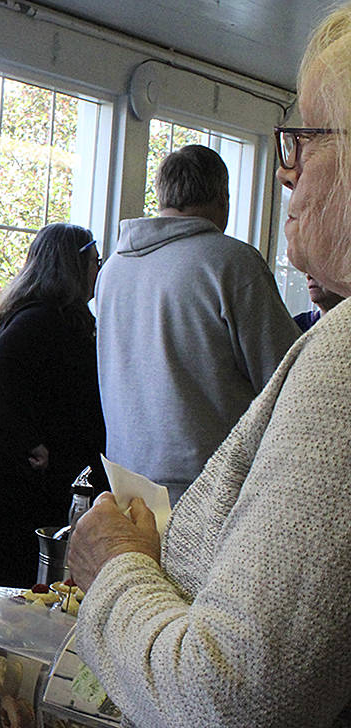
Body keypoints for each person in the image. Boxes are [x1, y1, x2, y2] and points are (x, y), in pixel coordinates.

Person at [68, 7, 351, 728]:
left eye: (302, 139)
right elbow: (269, 368)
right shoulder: (236, 266)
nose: (288, 173)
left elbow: (234, 706)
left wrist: (114, 573)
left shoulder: (341, 361)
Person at [95, 144, 297, 504]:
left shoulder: (112, 270)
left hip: (127, 484)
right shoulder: (230, 262)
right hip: (208, 491)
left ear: (162, 195)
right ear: (223, 198)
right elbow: (287, 381)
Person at [0, 224, 107, 587]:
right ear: (74, 266)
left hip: (32, 471)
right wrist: (30, 442)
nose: (99, 269)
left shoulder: (57, 317)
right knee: (19, 573)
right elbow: (1, 368)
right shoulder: (40, 317)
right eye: (95, 261)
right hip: (21, 474)